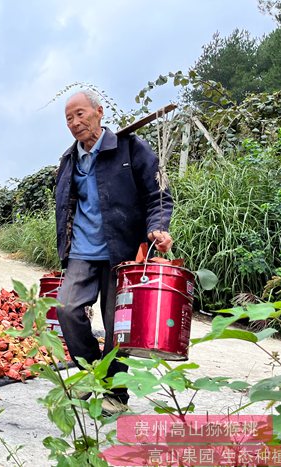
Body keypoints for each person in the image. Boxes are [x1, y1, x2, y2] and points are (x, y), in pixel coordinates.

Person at [54, 89, 173, 415]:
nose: (75, 122)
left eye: (80, 114)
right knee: (66, 308)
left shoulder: (130, 148)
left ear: (99, 112)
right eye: (69, 118)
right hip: (81, 250)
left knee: (115, 324)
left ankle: (116, 394)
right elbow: (65, 206)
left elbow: (158, 195)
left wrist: (158, 227)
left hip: (121, 251)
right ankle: (93, 373)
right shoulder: (69, 159)